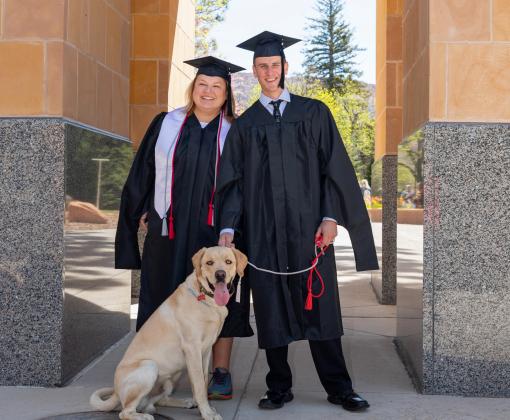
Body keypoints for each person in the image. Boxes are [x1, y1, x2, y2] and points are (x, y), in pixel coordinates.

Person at [216, 31, 379, 412]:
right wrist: (227, 227)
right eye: (262, 66)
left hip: (310, 231)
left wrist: (330, 216)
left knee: (321, 306)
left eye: (274, 65)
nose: (269, 71)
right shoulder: (246, 125)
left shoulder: (314, 113)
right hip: (263, 232)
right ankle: (278, 387)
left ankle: (339, 387)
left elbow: (333, 169)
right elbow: (233, 183)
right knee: (271, 307)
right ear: (255, 71)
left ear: (285, 67)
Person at [115, 56, 253, 401]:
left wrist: (231, 226)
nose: (208, 92)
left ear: (226, 94)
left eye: (216, 87)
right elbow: (145, 168)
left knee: (220, 297)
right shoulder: (167, 123)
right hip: (169, 227)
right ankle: (155, 366)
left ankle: (219, 371)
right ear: (193, 88)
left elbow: (241, 184)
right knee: (161, 292)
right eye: (202, 85)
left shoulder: (235, 131)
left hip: (215, 232)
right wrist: (144, 206)